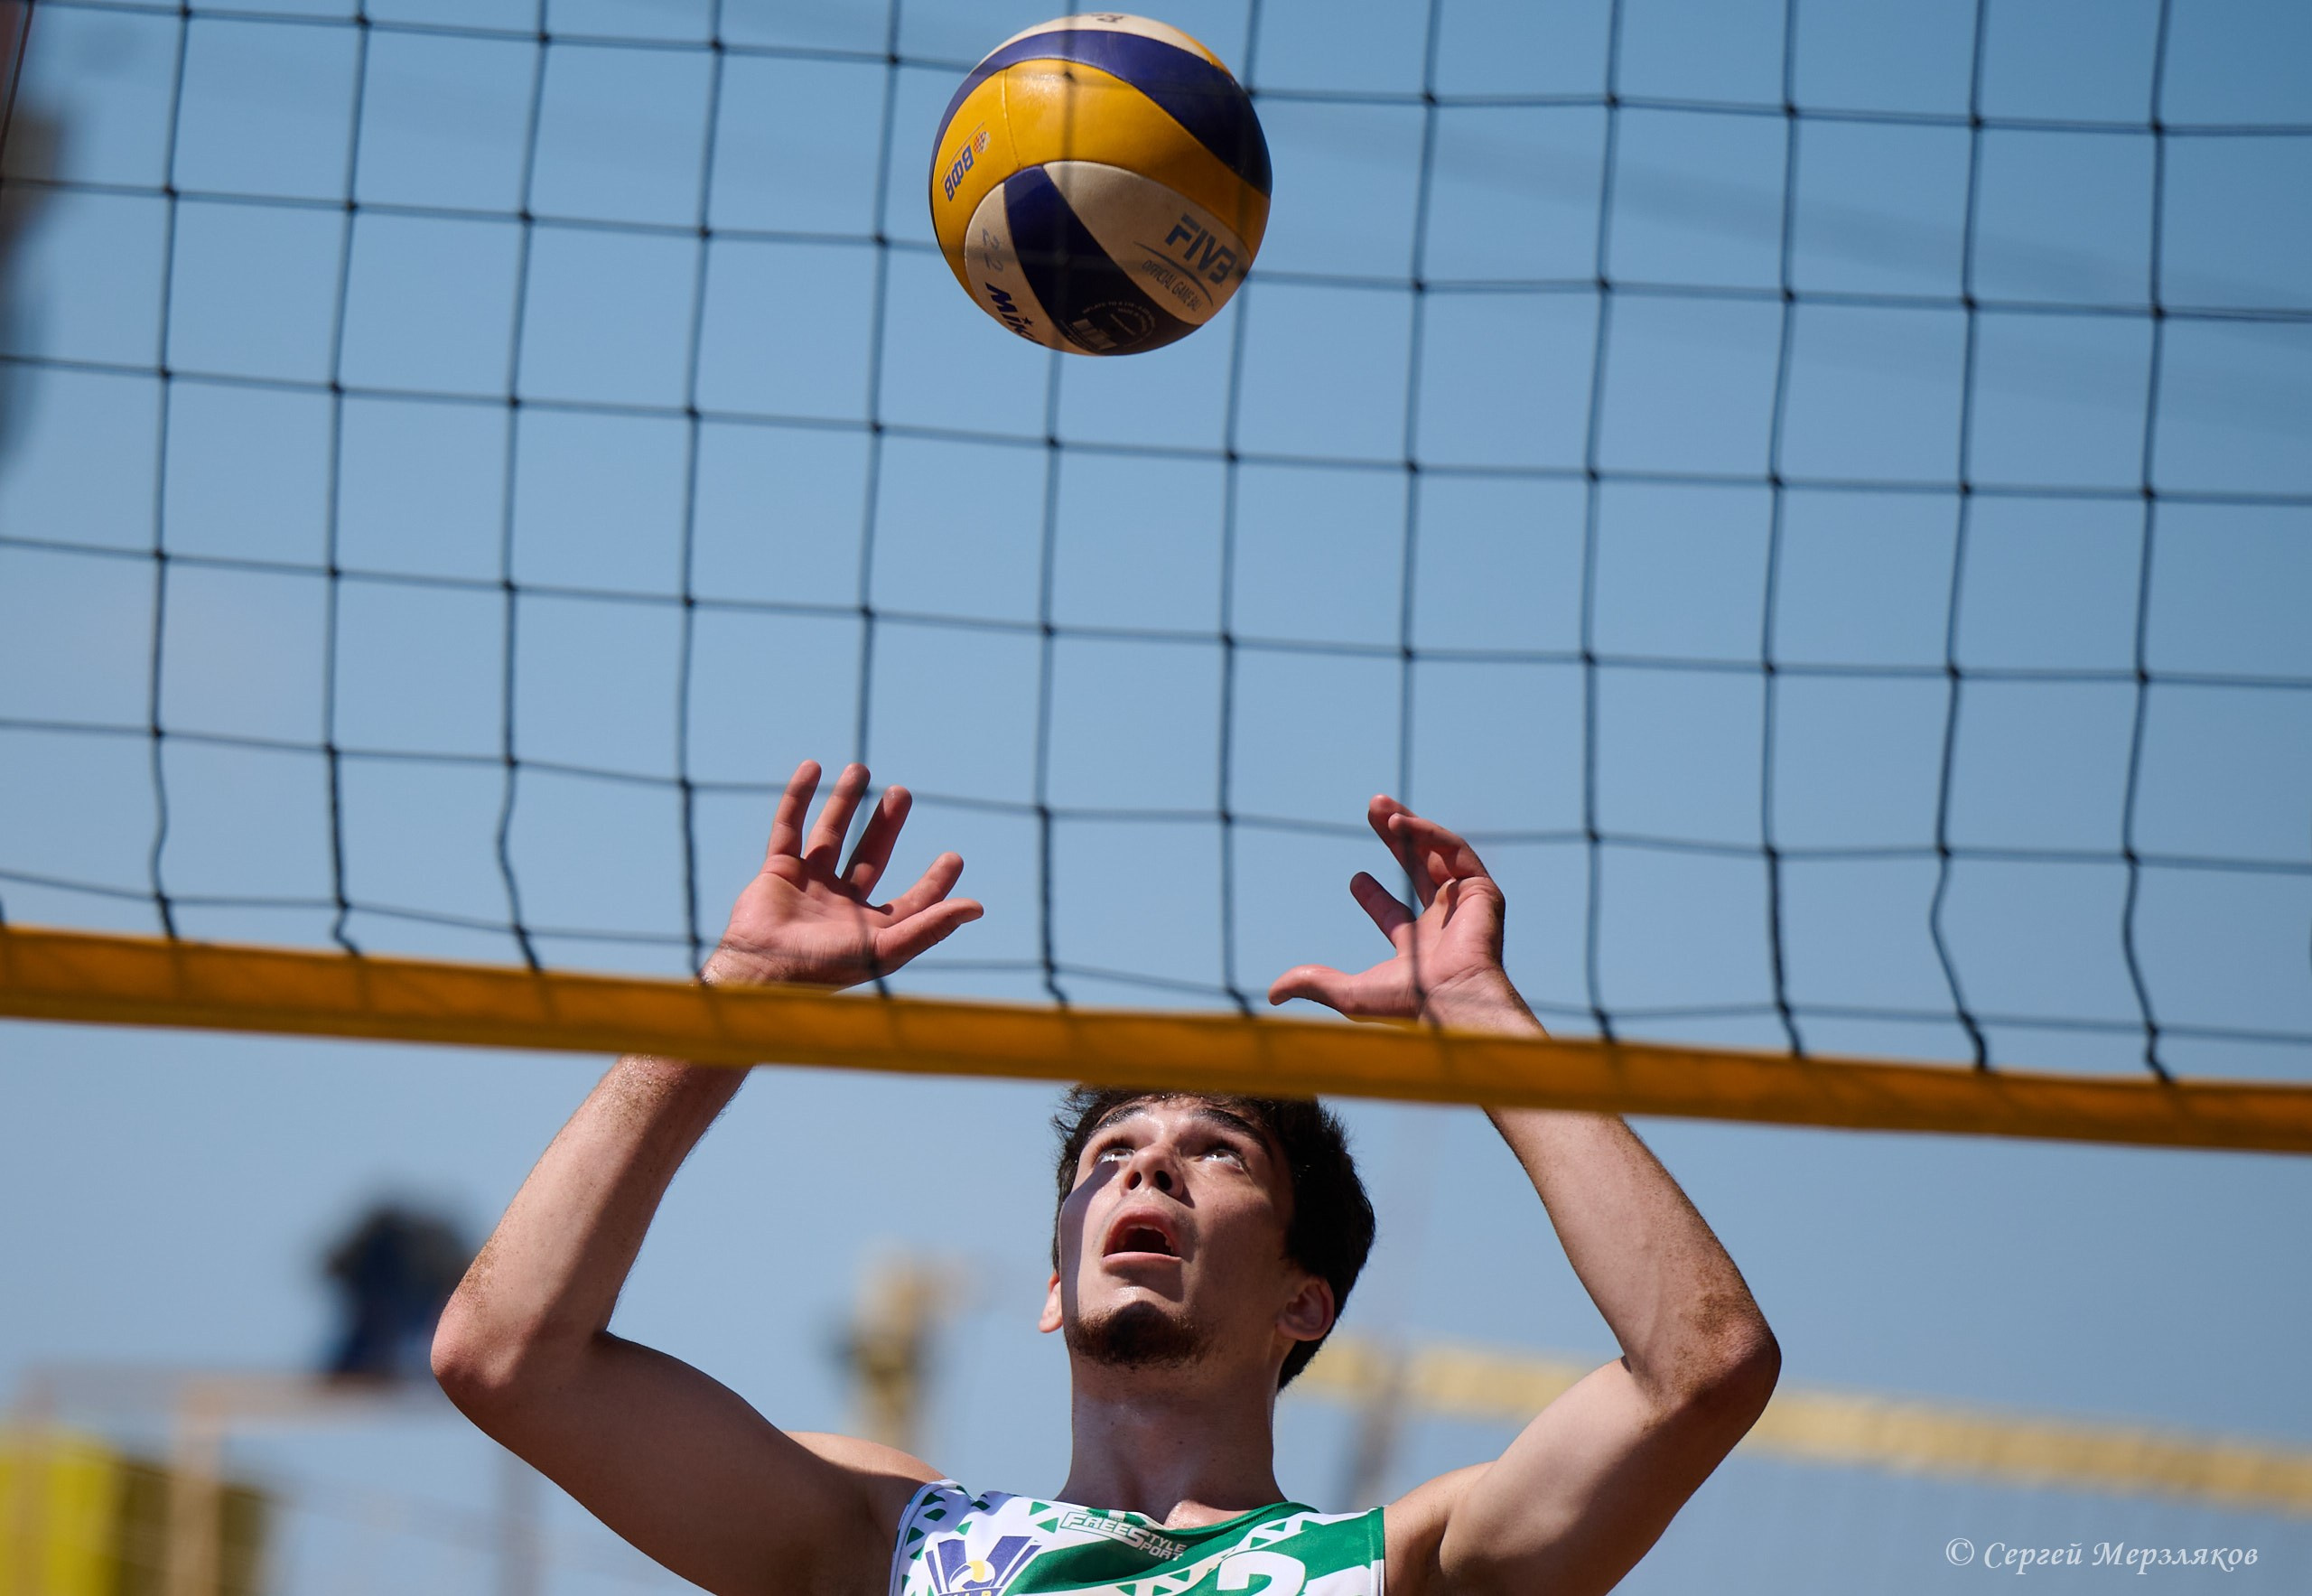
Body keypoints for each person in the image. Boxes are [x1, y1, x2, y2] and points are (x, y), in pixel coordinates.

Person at [433, 759, 1778, 1596]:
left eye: (1216, 1153)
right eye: (1111, 1156)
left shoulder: (1395, 1567)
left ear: (1304, 1303)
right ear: (1050, 1286)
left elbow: (1703, 1365)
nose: (1152, 1169)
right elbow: (504, 1355)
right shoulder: (895, 1546)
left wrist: (1485, 1018)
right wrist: (736, 999)